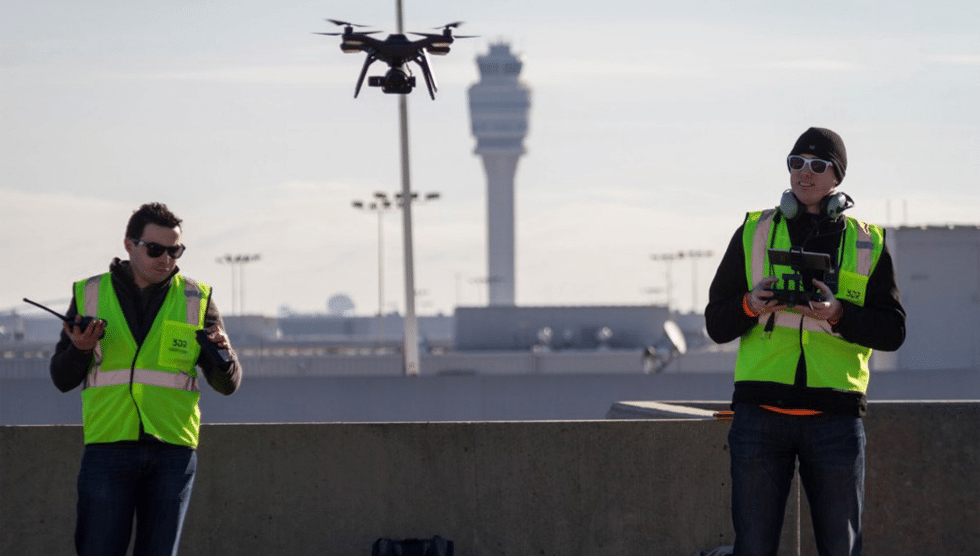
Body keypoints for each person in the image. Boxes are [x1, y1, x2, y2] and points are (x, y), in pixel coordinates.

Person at [704, 127, 905, 556]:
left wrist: (839, 315)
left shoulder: (868, 241)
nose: (804, 174)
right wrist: (750, 305)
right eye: (796, 163)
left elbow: (893, 331)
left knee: (840, 548)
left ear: (837, 179)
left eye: (817, 165)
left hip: (835, 420)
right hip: (760, 416)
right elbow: (716, 323)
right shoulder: (754, 231)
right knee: (754, 548)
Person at [50, 202, 243, 556]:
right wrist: (79, 349)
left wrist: (224, 357)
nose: (166, 259)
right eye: (155, 249)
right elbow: (61, 378)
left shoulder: (196, 298)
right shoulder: (89, 294)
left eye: (175, 250)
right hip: (108, 445)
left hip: (172, 450)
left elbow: (227, 384)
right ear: (129, 245)